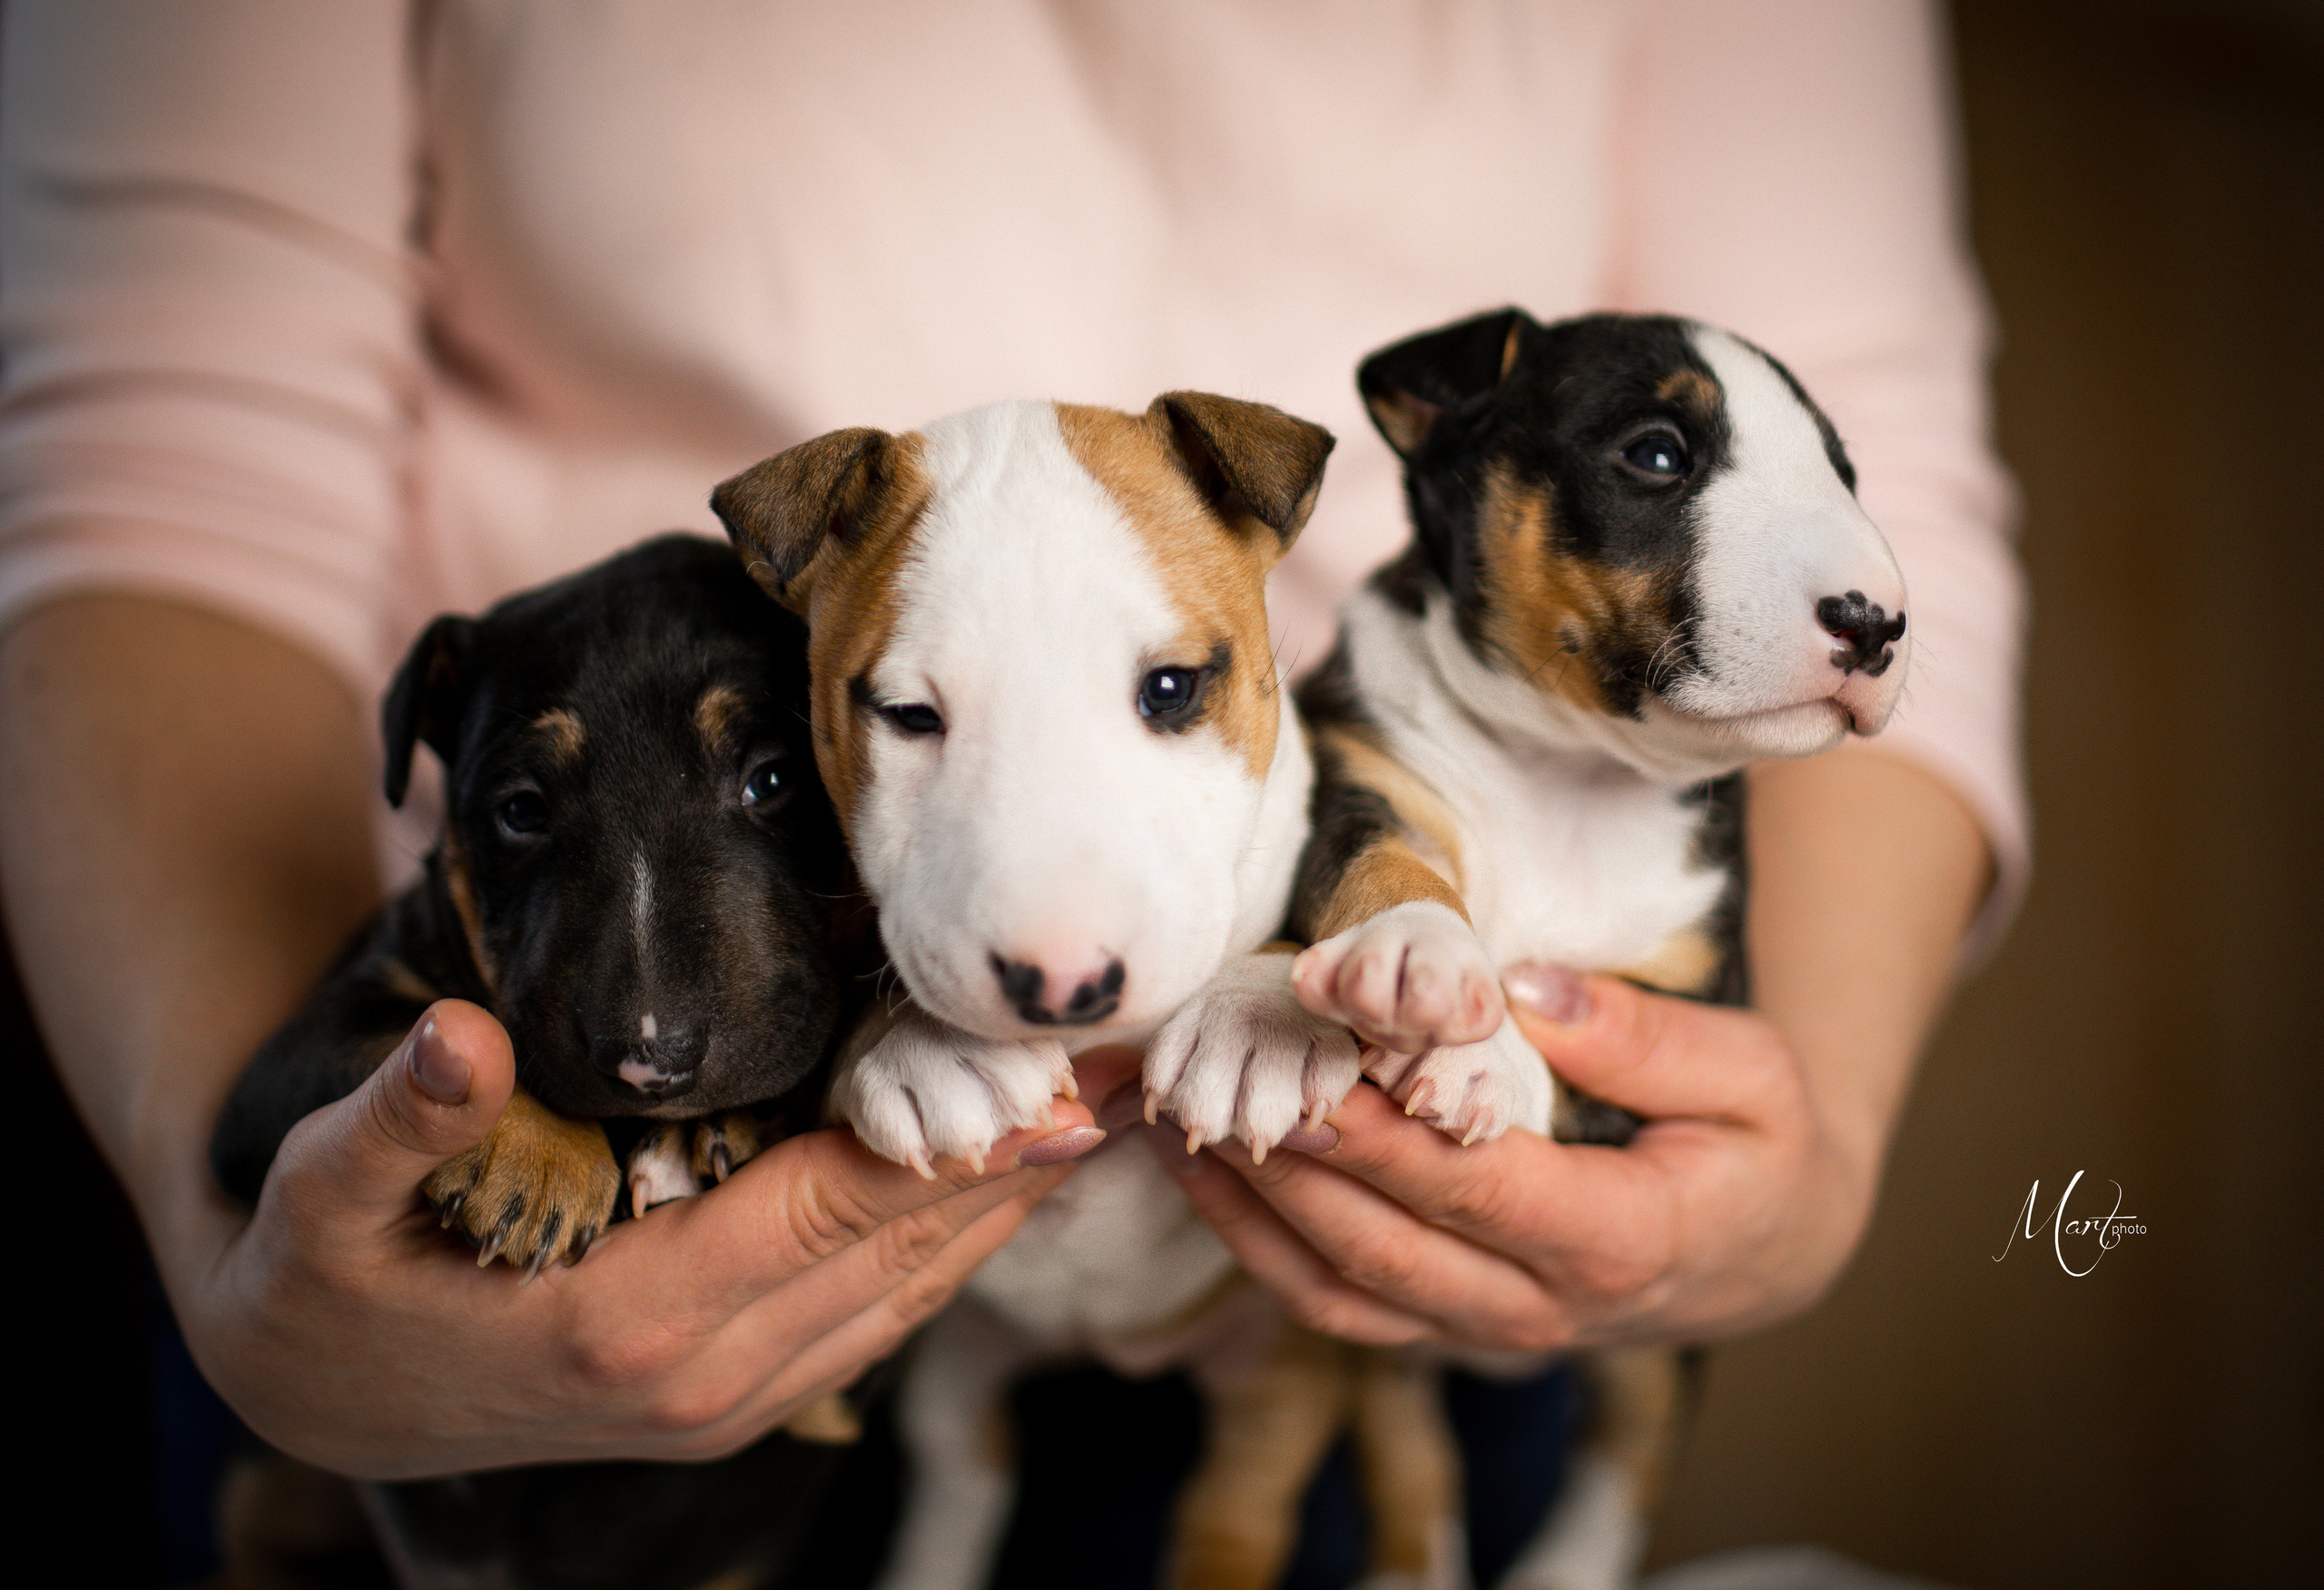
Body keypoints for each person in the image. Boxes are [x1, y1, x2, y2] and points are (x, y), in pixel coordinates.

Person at [0, 0, 2016, 1538]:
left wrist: (1806, 1133)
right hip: (535, 1189)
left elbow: (1865, 466)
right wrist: (249, 1242)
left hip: (1395, 1249)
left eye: (1164, 685)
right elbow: (153, 454)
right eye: (902, 702)